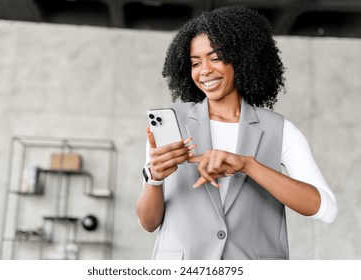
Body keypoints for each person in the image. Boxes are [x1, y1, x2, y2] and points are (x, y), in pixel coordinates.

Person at [136, 6, 337, 260]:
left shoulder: (281, 130)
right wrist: (154, 178)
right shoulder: (172, 122)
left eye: (216, 57)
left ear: (241, 59)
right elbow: (148, 222)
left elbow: (326, 210)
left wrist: (248, 166)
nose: (204, 70)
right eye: (195, 63)